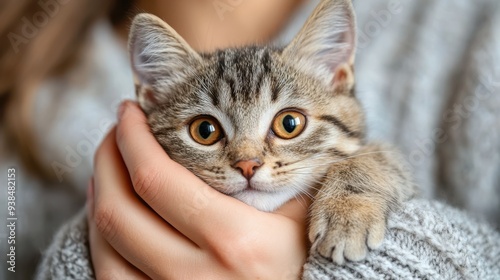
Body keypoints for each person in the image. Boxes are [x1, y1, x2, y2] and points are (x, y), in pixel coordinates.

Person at [0, 0, 498, 279]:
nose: (248, 161)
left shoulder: (474, 29)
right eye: (205, 130)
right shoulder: (22, 112)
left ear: (338, 78)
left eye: (287, 125)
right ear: (151, 97)